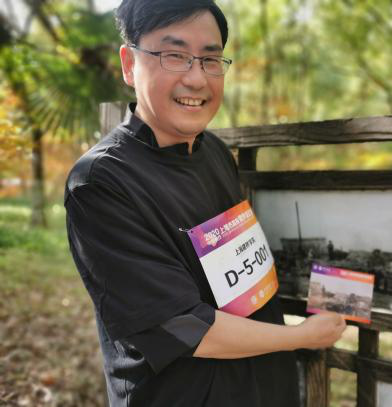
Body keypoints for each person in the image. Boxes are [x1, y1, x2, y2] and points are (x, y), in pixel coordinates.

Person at [64, 1, 346, 406]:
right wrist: (300, 337)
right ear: (129, 64)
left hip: (264, 387)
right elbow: (182, 328)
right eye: (174, 55)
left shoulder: (213, 151)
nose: (196, 79)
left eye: (210, 59)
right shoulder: (101, 183)